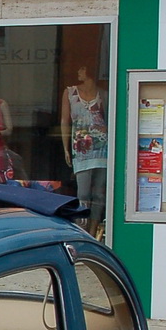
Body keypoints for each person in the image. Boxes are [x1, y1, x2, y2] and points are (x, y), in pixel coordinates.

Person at [61, 64, 108, 233]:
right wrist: (66, 148)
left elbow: (110, 120)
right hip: (81, 150)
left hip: (102, 149)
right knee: (83, 193)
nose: (78, 72)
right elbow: (65, 121)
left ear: (88, 71)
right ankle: (83, 229)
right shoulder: (70, 92)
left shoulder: (103, 94)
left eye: (81, 69)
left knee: (99, 195)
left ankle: (94, 230)